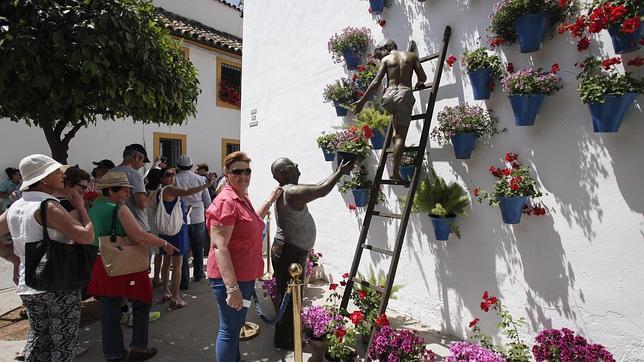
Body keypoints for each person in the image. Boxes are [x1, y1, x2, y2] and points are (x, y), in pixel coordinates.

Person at [0, 154, 95, 361]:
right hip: (57, 283)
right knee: (63, 346)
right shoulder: (48, 207)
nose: (61, 175)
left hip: (29, 283)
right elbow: (87, 236)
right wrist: (80, 206)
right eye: (55, 171)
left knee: (38, 341)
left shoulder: (15, 206)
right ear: (43, 179)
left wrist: (13, 258)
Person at [86, 172, 178, 361]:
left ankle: (114, 354)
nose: (127, 195)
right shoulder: (118, 209)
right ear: (111, 190)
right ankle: (138, 347)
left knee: (110, 309)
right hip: (125, 262)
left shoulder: (95, 206)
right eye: (124, 191)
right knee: (143, 301)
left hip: (102, 262)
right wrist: (164, 244)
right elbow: (138, 236)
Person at [269, 157, 353, 350]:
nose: (297, 166)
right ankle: (287, 341)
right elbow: (321, 189)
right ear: (282, 172)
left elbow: (318, 186)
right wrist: (339, 172)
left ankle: (287, 336)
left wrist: (338, 172)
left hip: (290, 251)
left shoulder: (289, 189)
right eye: (292, 165)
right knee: (289, 298)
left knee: (289, 297)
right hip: (289, 253)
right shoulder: (291, 191)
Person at [207, 151, 282, 361]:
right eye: (237, 171)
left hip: (244, 275)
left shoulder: (241, 197)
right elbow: (219, 247)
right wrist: (232, 289)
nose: (243, 176)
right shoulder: (226, 202)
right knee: (229, 331)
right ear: (227, 174)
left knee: (235, 326)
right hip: (231, 279)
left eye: (247, 171)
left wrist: (269, 200)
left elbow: (250, 222)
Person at [352, 39, 427, 180]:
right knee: (401, 137)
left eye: (379, 53)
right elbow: (422, 77)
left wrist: (362, 101)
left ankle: (394, 132)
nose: (379, 57)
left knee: (395, 121)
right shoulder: (411, 57)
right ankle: (395, 172)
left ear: (386, 47)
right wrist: (419, 83)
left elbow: (376, 82)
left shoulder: (386, 60)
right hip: (403, 95)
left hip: (388, 97)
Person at [146, 168, 213, 309]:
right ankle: (176, 297)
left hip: (165, 231)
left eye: (173, 174)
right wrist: (206, 185)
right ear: (162, 179)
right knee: (177, 265)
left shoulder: (158, 192)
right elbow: (188, 192)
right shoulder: (170, 189)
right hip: (177, 231)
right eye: (168, 175)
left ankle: (166, 291)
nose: (172, 177)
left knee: (166, 262)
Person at [174, 155, 211, 289]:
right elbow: (207, 201)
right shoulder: (200, 179)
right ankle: (198, 273)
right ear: (191, 166)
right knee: (198, 248)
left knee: (183, 250)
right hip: (197, 216)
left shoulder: (175, 179)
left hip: (181, 217)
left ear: (178, 166)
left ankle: (184, 280)